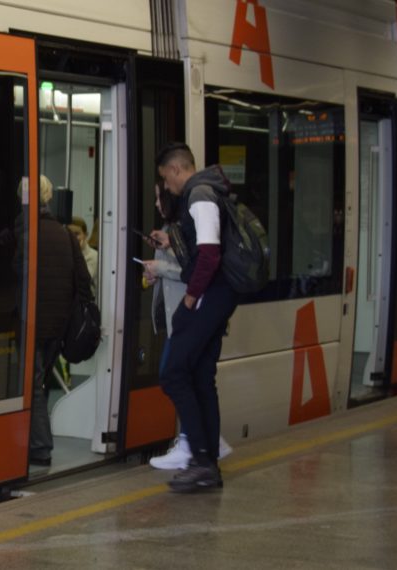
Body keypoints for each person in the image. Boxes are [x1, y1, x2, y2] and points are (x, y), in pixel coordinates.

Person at [153, 142, 239, 492]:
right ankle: (206, 464)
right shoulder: (208, 190)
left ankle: (200, 456)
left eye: (165, 179)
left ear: (176, 170)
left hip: (209, 295)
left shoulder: (199, 194)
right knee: (201, 375)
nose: (167, 186)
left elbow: (209, 254)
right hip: (218, 294)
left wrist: (190, 297)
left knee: (173, 373)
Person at [142, 184, 232, 470]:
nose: (157, 203)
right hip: (186, 316)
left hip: (191, 315)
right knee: (197, 378)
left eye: (160, 197)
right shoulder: (173, 228)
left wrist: (160, 268)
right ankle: (206, 447)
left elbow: (198, 270)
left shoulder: (191, 223)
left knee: (175, 375)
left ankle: (194, 446)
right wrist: (156, 270)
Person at [29, 175, 93, 467]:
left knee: (31, 383)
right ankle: (35, 442)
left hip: (32, 323)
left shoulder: (23, 229)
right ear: (49, 198)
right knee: (40, 382)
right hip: (58, 327)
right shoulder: (65, 234)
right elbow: (83, 282)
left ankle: (40, 447)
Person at [67, 216, 98, 296]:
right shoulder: (66, 253)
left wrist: (77, 252)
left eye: (76, 234)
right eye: (69, 234)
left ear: (85, 235)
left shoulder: (93, 256)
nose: (73, 237)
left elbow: (82, 281)